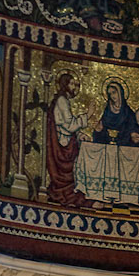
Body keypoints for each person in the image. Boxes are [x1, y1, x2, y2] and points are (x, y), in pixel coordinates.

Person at [46, 71, 87, 204]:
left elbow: (66, 126)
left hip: (65, 140)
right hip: (62, 144)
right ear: (65, 84)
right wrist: (87, 116)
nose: (74, 87)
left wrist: (80, 135)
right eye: (71, 84)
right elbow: (69, 126)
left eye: (75, 84)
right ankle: (68, 194)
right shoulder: (62, 101)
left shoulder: (63, 100)